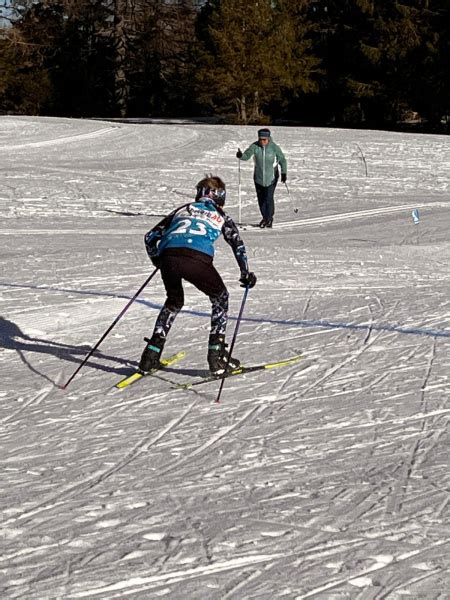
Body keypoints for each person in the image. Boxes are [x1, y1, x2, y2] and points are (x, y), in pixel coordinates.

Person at [140, 175, 257, 376]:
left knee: (174, 301)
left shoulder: (182, 210)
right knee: (220, 298)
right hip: (196, 258)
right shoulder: (221, 215)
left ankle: (150, 355)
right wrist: (245, 273)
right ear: (221, 196)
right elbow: (237, 244)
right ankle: (216, 357)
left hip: (169, 256)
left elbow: (150, 237)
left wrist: (158, 261)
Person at [236, 128, 287, 228]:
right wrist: (241, 155)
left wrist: (284, 173)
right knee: (261, 199)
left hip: (271, 177)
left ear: (268, 139)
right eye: (261, 139)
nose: (262, 141)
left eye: (264, 139)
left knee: (268, 197)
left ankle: (269, 218)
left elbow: (282, 160)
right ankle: (264, 217)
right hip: (258, 177)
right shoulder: (255, 146)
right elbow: (246, 156)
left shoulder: (274, 148)